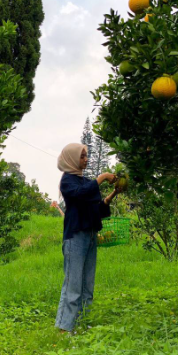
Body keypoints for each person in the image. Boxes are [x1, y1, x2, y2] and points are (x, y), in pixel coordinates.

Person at [55, 143, 120, 333]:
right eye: (82, 156)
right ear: (72, 158)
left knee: (87, 286)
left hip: (90, 236)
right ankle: (64, 329)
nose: (86, 159)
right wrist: (101, 178)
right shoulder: (68, 182)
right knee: (73, 286)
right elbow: (80, 196)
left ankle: (82, 324)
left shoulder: (85, 182)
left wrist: (113, 194)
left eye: (86, 156)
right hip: (75, 238)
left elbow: (96, 209)